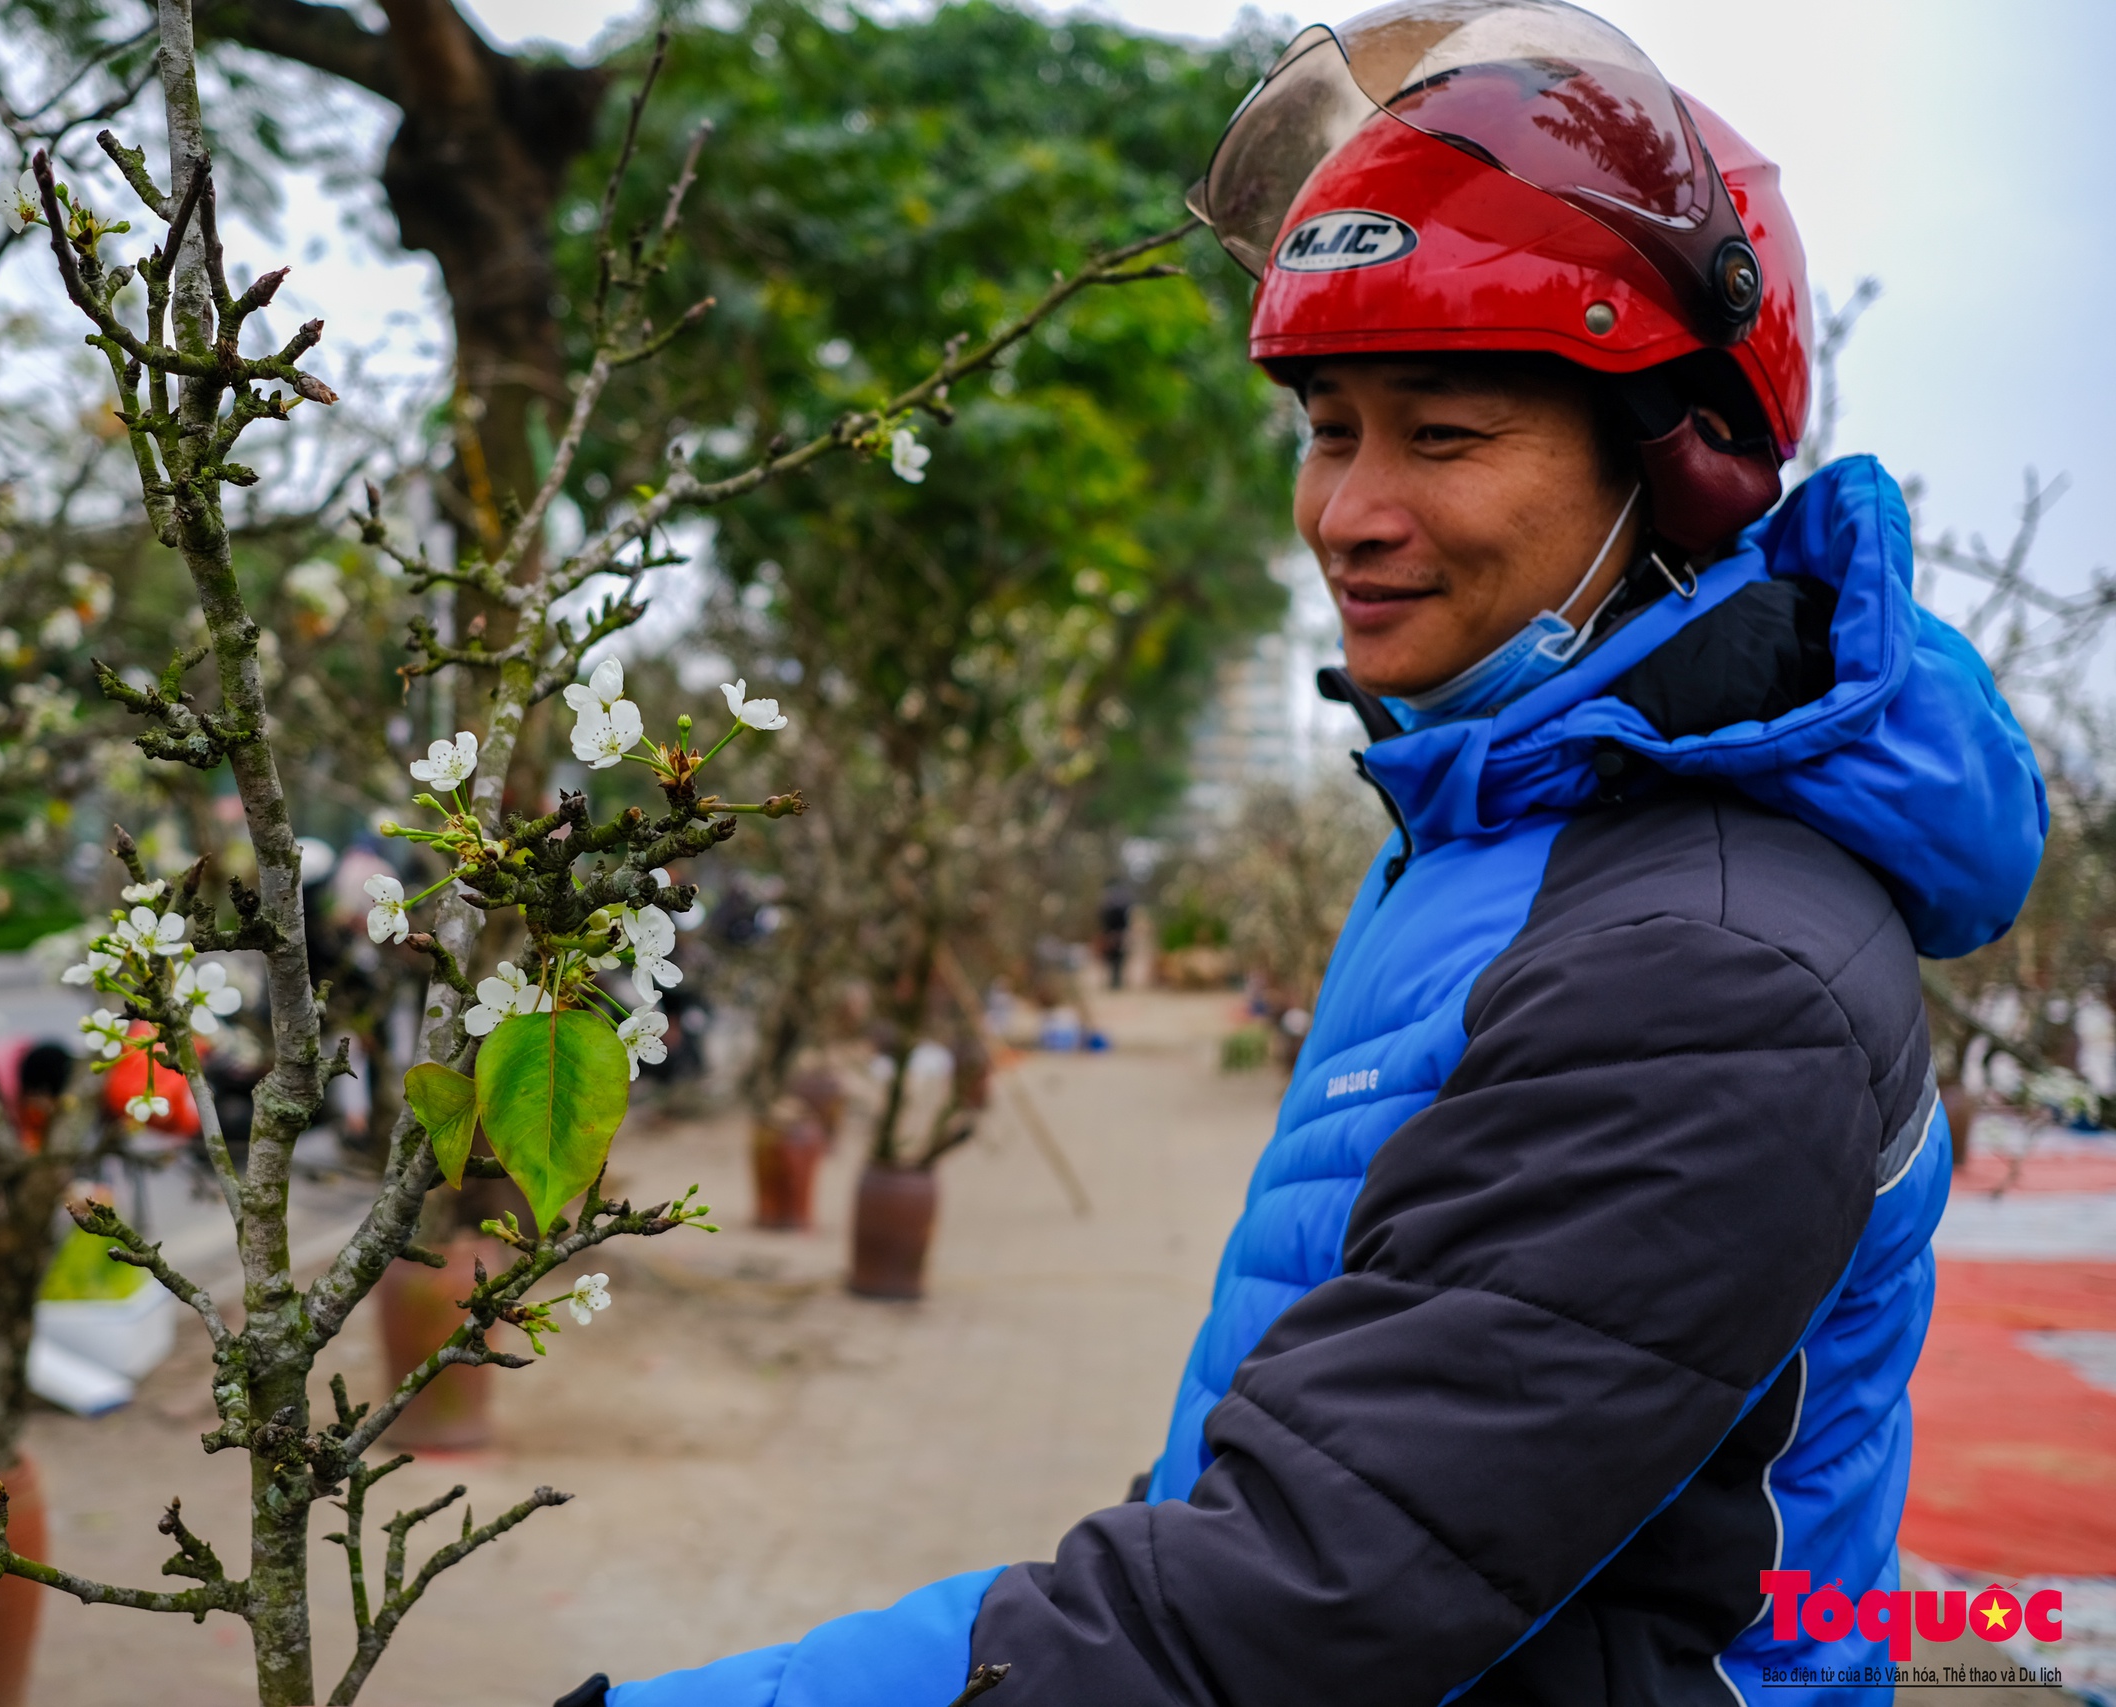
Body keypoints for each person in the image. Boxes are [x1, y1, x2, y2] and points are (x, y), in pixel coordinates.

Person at [569, 5, 2045, 1704]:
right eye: (1328, 426)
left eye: (1444, 433)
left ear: (1679, 470)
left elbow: (1291, 1601)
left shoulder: (1707, 968)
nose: (1350, 509)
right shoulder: (1495, 833)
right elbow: (1326, 1459)